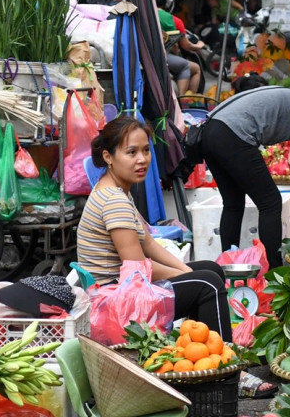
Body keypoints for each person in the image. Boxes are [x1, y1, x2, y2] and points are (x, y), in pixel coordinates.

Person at [77, 117, 232, 340]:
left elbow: (147, 243)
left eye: (145, 151)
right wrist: (187, 275)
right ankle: (223, 364)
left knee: (209, 270)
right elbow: (138, 269)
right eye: (131, 153)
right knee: (208, 283)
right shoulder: (114, 201)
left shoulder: (117, 190)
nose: (142, 160)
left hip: (122, 290)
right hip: (116, 303)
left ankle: (197, 351)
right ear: (108, 157)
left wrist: (186, 271)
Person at [198, 85, 290, 270]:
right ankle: (275, 274)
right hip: (235, 135)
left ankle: (229, 269)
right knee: (271, 202)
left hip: (211, 131)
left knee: (233, 203)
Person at [156, 0, 205, 96]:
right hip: (161, 56)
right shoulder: (168, 17)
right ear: (167, 0)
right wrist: (199, 45)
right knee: (189, 67)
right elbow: (184, 45)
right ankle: (182, 100)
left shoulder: (146, 12)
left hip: (144, 55)